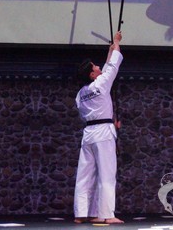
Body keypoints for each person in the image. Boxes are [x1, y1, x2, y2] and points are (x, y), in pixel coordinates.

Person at [73, 31, 124, 225]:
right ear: (92, 74)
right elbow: (112, 67)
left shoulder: (81, 94)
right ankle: (106, 214)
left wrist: (110, 49)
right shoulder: (101, 84)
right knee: (106, 173)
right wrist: (117, 43)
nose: (98, 67)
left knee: (85, 174)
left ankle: (82, 212)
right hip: (102, 132)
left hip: (88, 133)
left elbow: (107, 67)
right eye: (95, 67)